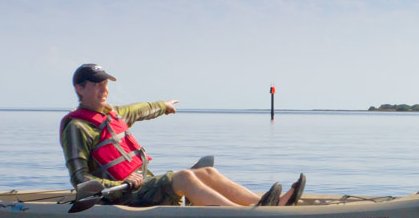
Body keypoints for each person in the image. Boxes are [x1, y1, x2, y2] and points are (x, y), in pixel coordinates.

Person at [60, 63, 305, 207]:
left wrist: (163, 105)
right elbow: (80, 179)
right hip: (120, 196)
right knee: (184, 177)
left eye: (105, 84)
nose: (104, 89)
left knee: (207, 172)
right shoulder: (76, 129)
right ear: (79, 88)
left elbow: (139, 110)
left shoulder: (112, 114)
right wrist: (120, 185)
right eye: (96, 84)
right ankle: (240, 216)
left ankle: (264, 205)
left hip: (141, 186)